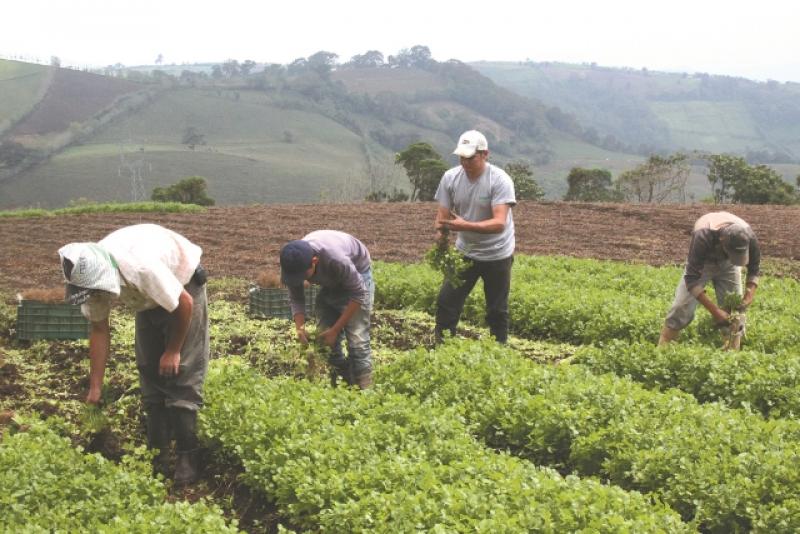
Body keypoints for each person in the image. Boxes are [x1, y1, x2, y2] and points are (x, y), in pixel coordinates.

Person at [58, 224, 208, 485]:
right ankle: (158, 454)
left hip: (183, 286)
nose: (94, 297)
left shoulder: (142, 269)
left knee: (182, 369)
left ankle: (187, 456)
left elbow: (184, 304)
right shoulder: (89, 276)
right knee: (149, 367)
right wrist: (95, 388)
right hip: (146, 300)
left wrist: (172, 351)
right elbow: (99, 329)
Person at [433, 129, 517, 344]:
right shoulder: (450, 178)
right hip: (465, 252)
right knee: (446, 303)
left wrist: (464, 225)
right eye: (462, 157)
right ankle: (442, 350)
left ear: (485, 154)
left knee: (496, 310)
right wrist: (441, 239)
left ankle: (499, 353)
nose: (465, 162)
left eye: (470, 158)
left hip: (497, 254)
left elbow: (499, 223)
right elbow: (442, 215)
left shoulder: (499, 180)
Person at [279, 230, 374, 389]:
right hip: (331, 278)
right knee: (325, 338)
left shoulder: (336, 259)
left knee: (357, 340)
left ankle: (365, 391)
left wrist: (336, 330)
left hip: (358, 274)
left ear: (314, 261)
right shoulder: (293, 262)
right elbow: (296, 297)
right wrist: (300, 329)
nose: (300, 280)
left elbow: (359, 294)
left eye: (303, 276)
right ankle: (341, 383)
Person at [659, 211, 761, 345]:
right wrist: (716, 312)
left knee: (735, 312)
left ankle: (732, 356)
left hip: (729, 265)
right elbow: (691, 280)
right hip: (704, 264)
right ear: (722, 241)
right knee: (681, 307)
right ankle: (663, 349)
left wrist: (748, 296)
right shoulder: (703, 236)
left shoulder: (749, 236)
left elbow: (754, 269)